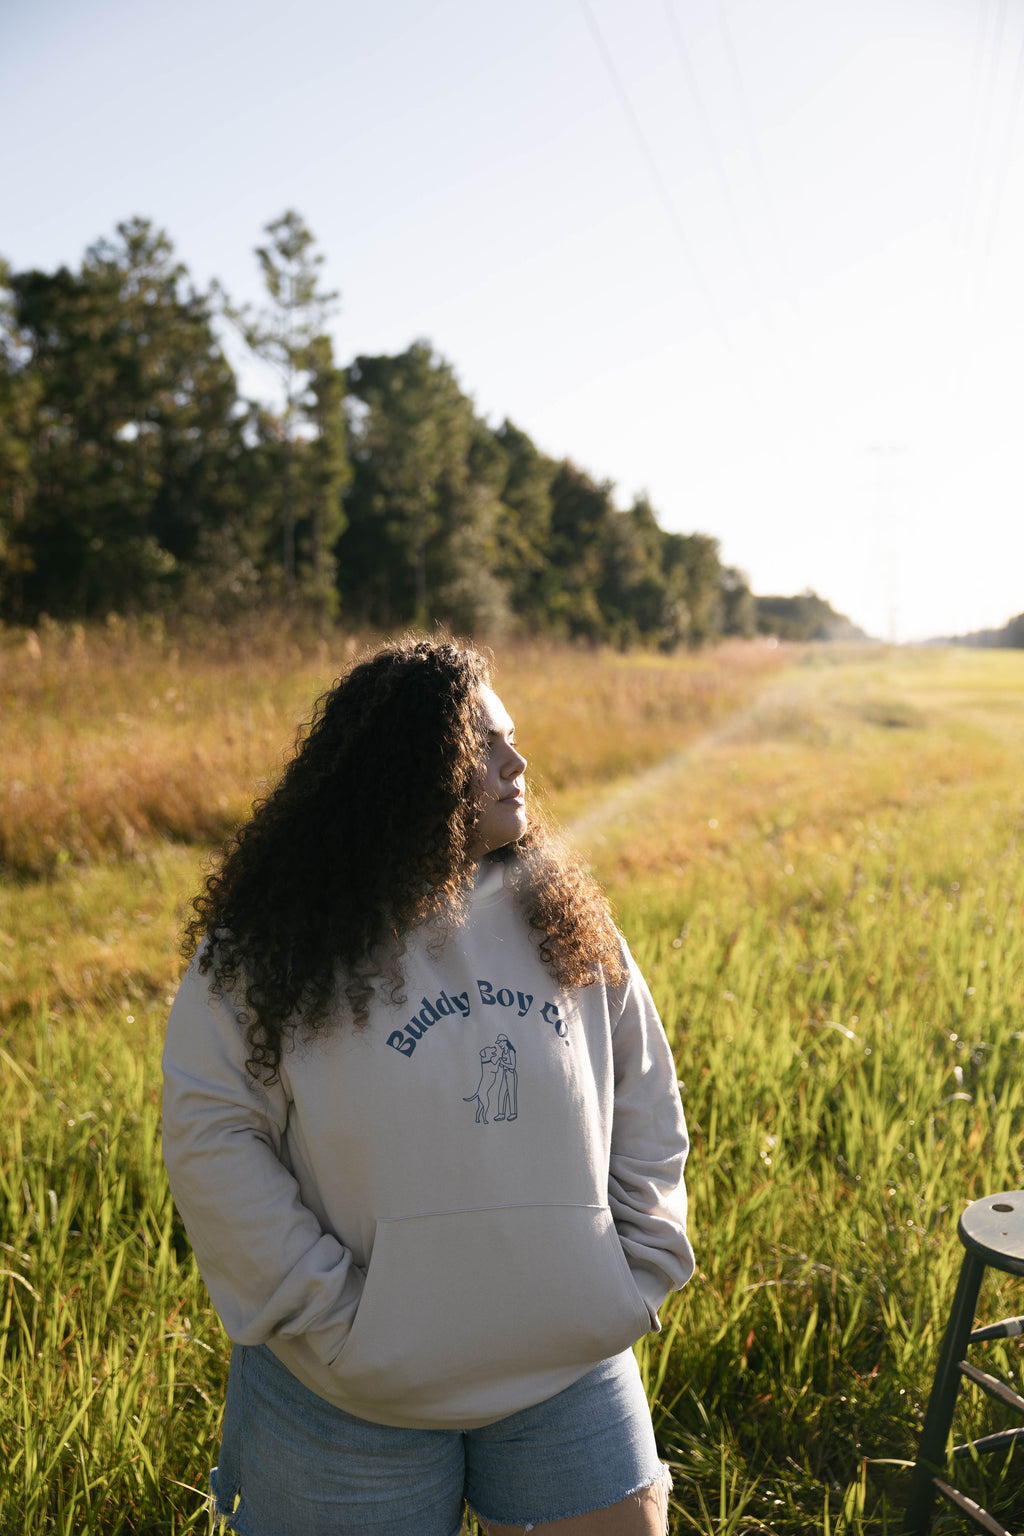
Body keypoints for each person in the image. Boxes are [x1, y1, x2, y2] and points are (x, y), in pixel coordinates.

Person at [162, 636, 694, 1536]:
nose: (517, 762)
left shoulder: (560, 913)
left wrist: (629, 1272)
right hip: (346, 1397)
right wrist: (332, 1323)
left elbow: (645, 1093)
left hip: (570, 1367)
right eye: (485, 745)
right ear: (408, 771)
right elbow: (213, 1136)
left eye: (513, 737)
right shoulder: (272, 940)